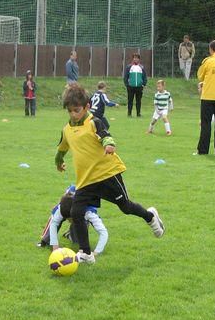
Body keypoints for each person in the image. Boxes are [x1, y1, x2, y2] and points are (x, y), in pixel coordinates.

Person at [55, 84, 164, 264]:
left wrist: (109, 145)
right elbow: (62, 148)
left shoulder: (94, 122)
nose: (73, 114)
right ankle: (86, 253)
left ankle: (150, 217)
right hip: (86, 180)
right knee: (76, 212)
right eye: (70, 111)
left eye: (77, 110)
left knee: (126, 207)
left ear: (87, 107)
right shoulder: (67, 129)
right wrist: (58, 161)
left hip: (107, 175)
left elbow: (106, 135)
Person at [43, 190, 109, 257]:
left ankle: (69, 234)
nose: (69, 221)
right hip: (73, 198)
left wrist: (96, 252)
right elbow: (54, 224)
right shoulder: (60, 209)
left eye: (70, 219)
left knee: (77, 240)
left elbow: (103, 232)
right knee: (55, 220)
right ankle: (44, 241)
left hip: (83, 212)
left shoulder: (89, 213)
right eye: (68, 219)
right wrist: (55, 247)